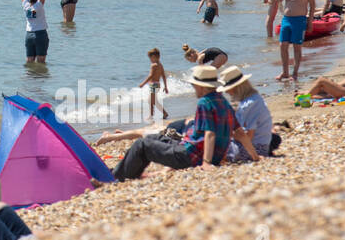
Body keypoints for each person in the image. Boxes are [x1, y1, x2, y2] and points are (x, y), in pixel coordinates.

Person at [110, 65, 238, 181]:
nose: (194, 88)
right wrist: (255, 157)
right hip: (204, 153)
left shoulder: (205, 103)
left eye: (194, 85)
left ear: (202, 86)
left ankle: (116, 177)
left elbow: (210, 133)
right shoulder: (224, 102)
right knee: (152, 138)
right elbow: (239, 132)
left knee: (142, 144)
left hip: (190, 156)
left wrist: (206, 162)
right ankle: (124, 172)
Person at [218, 66, 275, 158]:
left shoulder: (248, 105)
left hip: (255, 148)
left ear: (236, 87)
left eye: (228, 89)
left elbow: (248, 136)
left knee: (213, 145)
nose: (227, 92)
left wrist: (228, 134)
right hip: (262, 145)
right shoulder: (255, 98)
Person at [276, 0, 315, 80]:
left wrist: (310, 22)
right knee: (282, 45)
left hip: (300, 20)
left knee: (296, 47)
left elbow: (312, 5)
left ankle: (295, 73)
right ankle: (285, 72)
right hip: (287, 19)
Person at [19, 0, 50, 64]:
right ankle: (39, 78)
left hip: (29, 35)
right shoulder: (39, 5)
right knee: (41, 61)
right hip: (40, 34)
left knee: (29, 61)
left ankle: (30, 77)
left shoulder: (26, 5)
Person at [139, 48, 169, 121]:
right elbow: (164, 76)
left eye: (150, 58)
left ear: (155, 57)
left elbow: (151, 75)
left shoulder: (153, 65)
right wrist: (166, 87)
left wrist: (143, 83)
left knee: (152, 101)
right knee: (152, 100)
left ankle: (154, 115)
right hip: (158, 84)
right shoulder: (160, 65)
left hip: (153, 85)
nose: (150, 60)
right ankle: (156, 114)